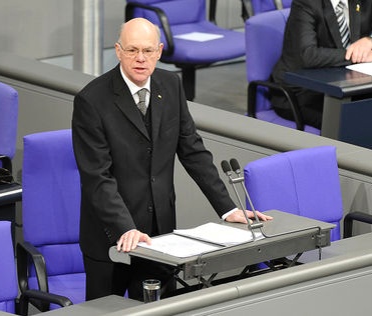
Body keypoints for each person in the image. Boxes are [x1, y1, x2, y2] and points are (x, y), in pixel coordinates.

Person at [72, 17, 272, 301]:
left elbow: (193, 150)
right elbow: (97, 177)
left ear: (160, 51)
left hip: (160, 235)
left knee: (162, 308)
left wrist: (227, 209)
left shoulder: (171, 84)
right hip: (111, 236)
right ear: (118, 51)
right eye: (132, 50)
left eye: (148, 50)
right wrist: (125, 227)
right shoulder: (91, 101)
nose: (141, 59)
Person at [270, 0, 372, 129]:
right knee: (359, 122)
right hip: (303, 92)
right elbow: (308, 55)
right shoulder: (307, 3)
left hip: (348, 83)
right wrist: (358, 55)